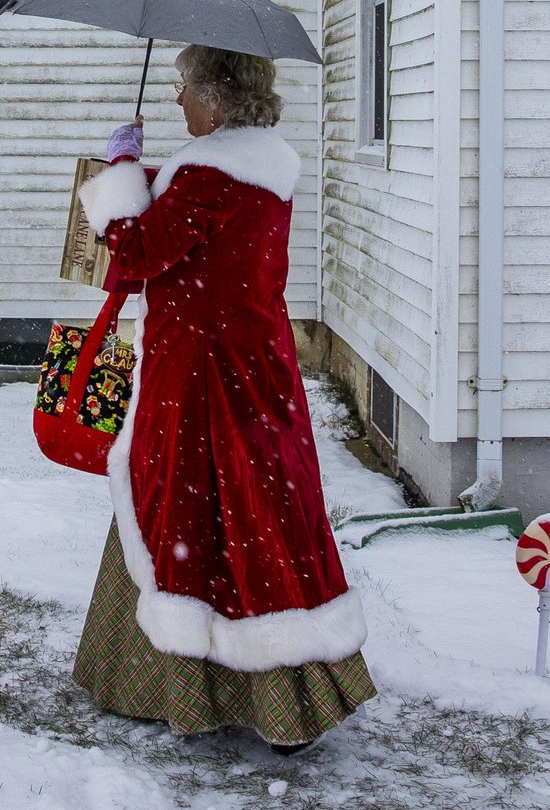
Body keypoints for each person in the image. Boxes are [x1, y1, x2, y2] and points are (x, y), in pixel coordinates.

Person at [69, 44, 373, 750]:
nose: (177, 102)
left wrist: (119, 177)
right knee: (264, 511)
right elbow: (199, 238)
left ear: (217, 94)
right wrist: (150, 177)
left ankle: (184, 685)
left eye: (184, 89)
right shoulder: (259, 165)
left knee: (188, 509)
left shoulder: (208, 174)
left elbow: (140, 252)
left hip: (201, 381)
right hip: (256, 369)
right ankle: (287, 693)